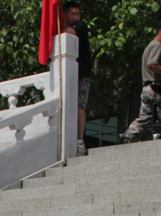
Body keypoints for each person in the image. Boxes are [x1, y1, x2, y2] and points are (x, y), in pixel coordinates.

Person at [123, 20, 161, 143]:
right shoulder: (157, 45)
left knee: (144, 118)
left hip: (147, 89)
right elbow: (152, 64)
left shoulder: (150, 46)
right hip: (157, 88)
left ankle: (128, 137)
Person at [62, 1, 92, 151]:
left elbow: (68, 34)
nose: (75, 16)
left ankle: (80, 139)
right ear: (64, 15)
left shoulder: (80, 26)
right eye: (72, 13)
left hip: (82, 74)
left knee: (80, 106)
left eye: (77, 14)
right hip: (67, 74)